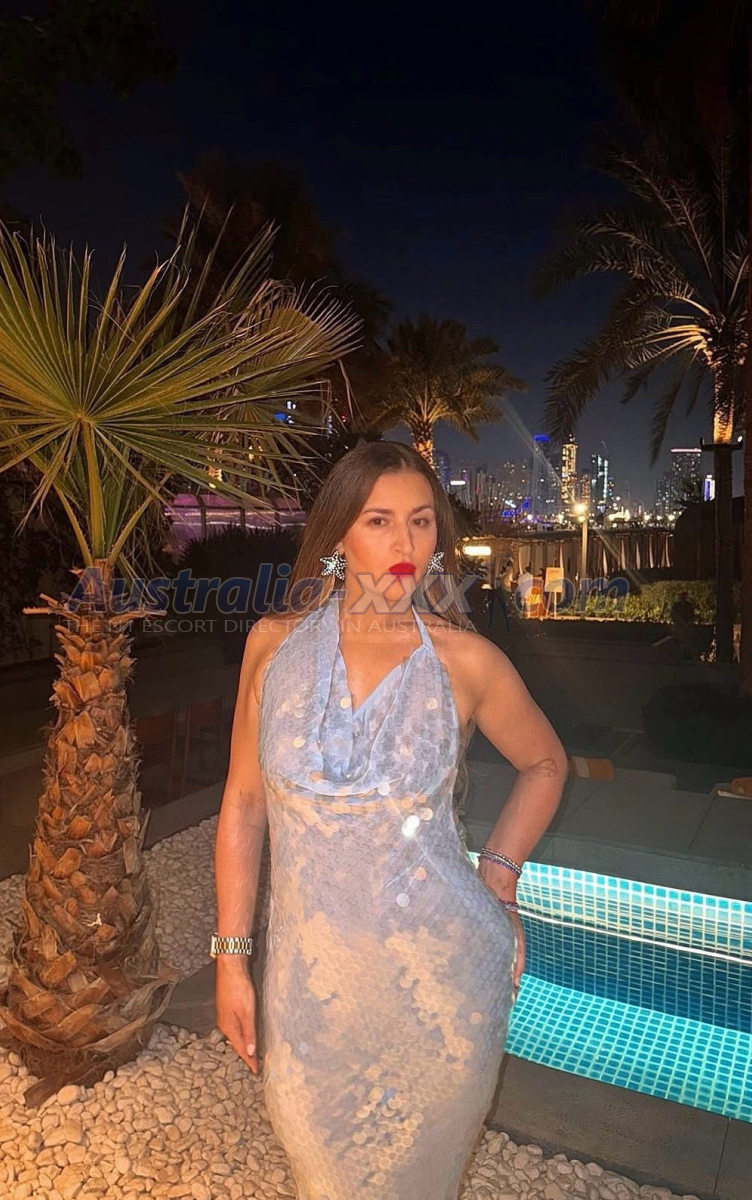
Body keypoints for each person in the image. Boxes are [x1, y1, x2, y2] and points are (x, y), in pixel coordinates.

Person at [212, 440, 568, 1200]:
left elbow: (545, 764)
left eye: (421, 521)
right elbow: (243, 806)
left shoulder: (465, 661)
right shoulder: (272, 646)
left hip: (441, 990)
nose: (405, 542)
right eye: (379, 521)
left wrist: (499, 876)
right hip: (311, 996)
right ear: (339, 533)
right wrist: (231, 958)